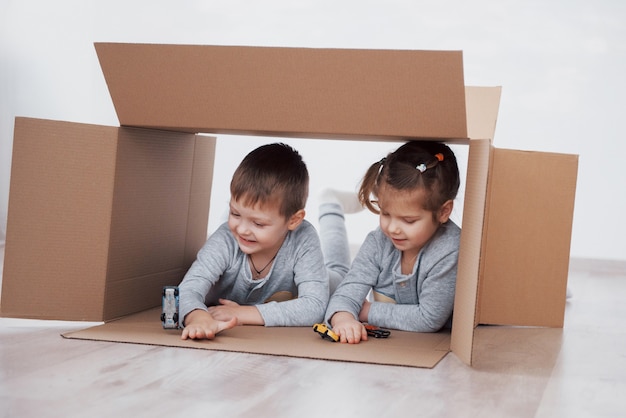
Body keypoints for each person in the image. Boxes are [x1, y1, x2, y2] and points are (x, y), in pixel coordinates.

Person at [179, 143, 329, 340]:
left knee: (339, 274)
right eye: (234, 213)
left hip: (326, 277)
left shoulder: (303, 238)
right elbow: (186, 289)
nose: (241, 229)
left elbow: (315, 306)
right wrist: (197, 317)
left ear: (293, 220)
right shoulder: (226, 238)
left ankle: (330, 205)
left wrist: (242, 313)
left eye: (258, 223)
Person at [320, 141, 461, 344]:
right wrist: (343, 318)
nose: (392, 228)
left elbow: (429, 318)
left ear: (443, 212)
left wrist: (367, 311)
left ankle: (331, 202)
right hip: (347, 269)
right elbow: (346, 293)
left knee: (338, 269)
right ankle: (330, 202)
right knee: (336, 272)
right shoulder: (379, 240)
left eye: (408, 220)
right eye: (385, 213)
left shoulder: (449, 250)